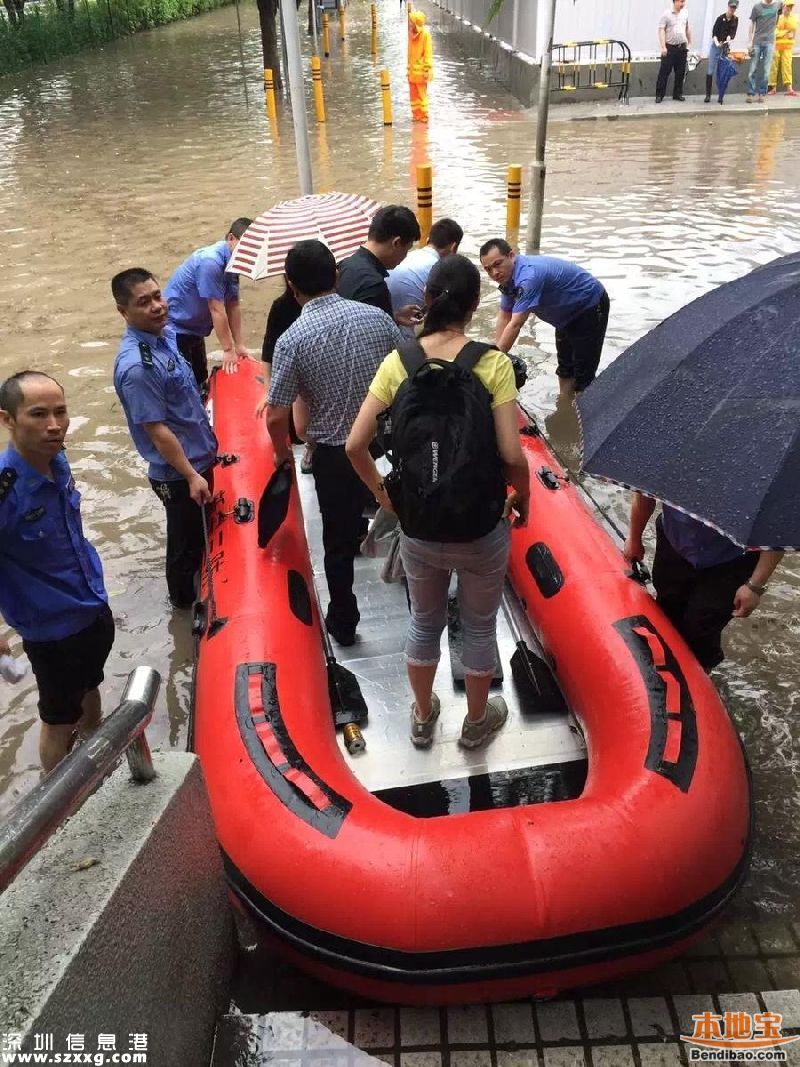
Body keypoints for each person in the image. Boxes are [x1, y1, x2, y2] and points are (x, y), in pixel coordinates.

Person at [346, 254, 530, 750]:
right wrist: (523, 498)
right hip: (480, 526)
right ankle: (475, 723)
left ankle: (424, 717)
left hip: (421, 525)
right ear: (474, 306)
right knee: (477, 625)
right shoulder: (493, 363)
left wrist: (389, 498)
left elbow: (353, 445)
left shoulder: (398, 363)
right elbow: (512, 454)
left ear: (426, 299)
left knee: (424, 622)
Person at [261, 240, 402, 647]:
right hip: (379, 447)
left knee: (336, 545)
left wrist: (282, 453)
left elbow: (276, 413)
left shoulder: (292, 339)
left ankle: (343, 620)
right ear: (337, 275)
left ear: (291, 286)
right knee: (393, 512)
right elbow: (401, 377)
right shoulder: (379, 319)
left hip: (334, 458)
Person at [0, 371, 114, 773]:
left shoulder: (57, 459)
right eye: (38, 414)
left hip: (91, 607)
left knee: (92, 687)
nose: (54, 425)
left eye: (61, 412)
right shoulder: (5, 489)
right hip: (52, 631)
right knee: (58, 720)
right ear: (8, 420)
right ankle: (60, 800)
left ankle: (96, 764)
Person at [112, 268, 217, 610]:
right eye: (144, 302)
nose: (157, 306)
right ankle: (184, 609)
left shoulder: (165, 335)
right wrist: (190, 475)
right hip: (178, 472)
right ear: (123, 311)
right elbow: (157, 431)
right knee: (184, 548)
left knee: (198, 539)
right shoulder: (138, 368)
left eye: (158, 296)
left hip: (198, 457)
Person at [623, 493, 784, 672]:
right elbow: (644, 493)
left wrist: (754, 586)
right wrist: (635, 538)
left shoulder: (763, 475)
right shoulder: (666, 464)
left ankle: (702, 674)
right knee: (667, 607)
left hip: (731, 560)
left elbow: (776, 526)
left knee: (702, 626)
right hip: (675, 542)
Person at [479, 238, 609, 399]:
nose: (494, 273)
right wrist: (498, 353)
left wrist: (494, 363)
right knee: (565, 368)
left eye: (497, 264)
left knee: (584, 375)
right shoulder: (507, 279)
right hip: (563, 317)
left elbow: (516, 324)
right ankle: (565, 407)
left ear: (511, 256)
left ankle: (585, 417)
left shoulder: (528, 277)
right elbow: (505, 316)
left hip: (588, 306)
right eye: (488, 269)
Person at [164, 217, 253, 387]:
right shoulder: (210, 262)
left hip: (195, 329)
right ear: (230, 238)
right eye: (245, 247)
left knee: (200, 378)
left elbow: (233, 304)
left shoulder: (234, 262)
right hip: (176, 328)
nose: (248, 254)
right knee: (184, 383)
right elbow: (216, 309)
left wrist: (239, 345)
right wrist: (228, 350)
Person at [337, 205, 422, 327]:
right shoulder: (374, 286)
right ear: (396, 243)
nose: (405, 256)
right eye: (407, 249)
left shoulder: (344, 265)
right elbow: (376, 339)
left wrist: (394, 317)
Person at [387, 217, 463, 339]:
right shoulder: (440, 269)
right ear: (453, 247)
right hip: (403, 338)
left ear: (428, 240)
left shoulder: (407, 256)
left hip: (386, 324)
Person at [656, 0, 693, 102]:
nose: (683, 4)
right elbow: (661, 30)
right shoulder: (667, 14)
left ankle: (677, 94)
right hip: (670, 47)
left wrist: (690, 42)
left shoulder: (685, 12)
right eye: (681, 1)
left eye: (684, 1)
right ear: (675, 1)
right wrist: (663, 46)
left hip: (682, 47)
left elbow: (687, 28)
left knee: (680, 72)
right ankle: (659, 95)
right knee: (664, 72)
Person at [747, 0, 782, 102]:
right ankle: (750, 93)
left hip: (769, 43)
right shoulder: (757, 7)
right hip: (757, 42)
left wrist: (775, 35)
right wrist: (750, 41)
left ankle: (762, 93)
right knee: (753, 69)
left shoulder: (778, 5)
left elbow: (777, 19)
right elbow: (752, 24)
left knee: (766, 70)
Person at [706, 1, 740, 102]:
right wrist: (717, 43)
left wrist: (728, 40)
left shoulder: (735, 19)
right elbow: (714, 33)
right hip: (716, 45)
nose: (732, 10)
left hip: (725, 47)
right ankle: (708, 95)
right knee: (710, 70)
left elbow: (732, 33)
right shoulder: (720, 18)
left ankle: (721, 96)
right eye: (731, 7)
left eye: (734, 8)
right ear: (728, 7)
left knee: (723, 72)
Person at [407, 10, 434, 122]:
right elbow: (409, 54)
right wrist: (408, 69)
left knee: (422, 96)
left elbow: (428, 54)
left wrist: (427, 69)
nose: (409, 23)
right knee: (413, 96)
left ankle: (424, 116)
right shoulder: (411, 34)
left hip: (422, 73)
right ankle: (416, 115)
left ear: (416, 23)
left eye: (411, 22)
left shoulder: (425, 35)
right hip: (412, 72)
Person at [768, 0, 798, 95]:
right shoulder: (777, 18)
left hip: (788, 47)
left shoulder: (794, 19)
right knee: (774, 66)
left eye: (791, 7)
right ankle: (773, 87)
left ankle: (789, 88)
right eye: (788, 6)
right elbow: (773, 32)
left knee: (787, 66)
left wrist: (782, 33)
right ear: (783, 6)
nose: (789, 8)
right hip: (776, 46)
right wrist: (785, 32)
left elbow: (792, 33)